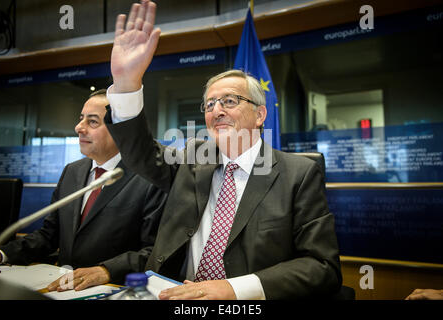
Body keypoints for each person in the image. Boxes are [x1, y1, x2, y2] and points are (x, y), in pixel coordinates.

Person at [105, 0, 341, 299]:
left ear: (260, 115)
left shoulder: (298, 174)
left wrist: (234, 289)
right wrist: (126, 83)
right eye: (210, 104)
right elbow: (139, 153)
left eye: (230, 101)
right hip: (173, 296)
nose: (217, 110)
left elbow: (322, 266)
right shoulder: (191, 159)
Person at [0, 89, 167, 292]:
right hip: (61, 288)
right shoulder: (72, 171)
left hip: (114, 290)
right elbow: (49, 235)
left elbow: (153, 251)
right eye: (80, 119)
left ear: (120, 129)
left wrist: (106, 270)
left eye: (92, 122)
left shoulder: (150, 177)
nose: (78, 128)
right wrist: (1, 254)